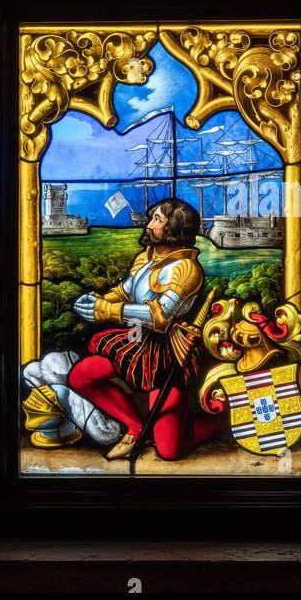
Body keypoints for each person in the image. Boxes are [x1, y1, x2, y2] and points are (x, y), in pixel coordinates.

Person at [69, 197, 226, 461]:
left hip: (169, 351)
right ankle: (137, 428)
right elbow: (126, 291)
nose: (149, 224)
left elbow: (161, 316)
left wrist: (106, 311)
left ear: (173, 230)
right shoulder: (146, 258)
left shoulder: (187, 268)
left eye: (157, 220)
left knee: (169, 450)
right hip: (137, 338)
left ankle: (225, 421)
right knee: (80, 377)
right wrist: (98, 300)